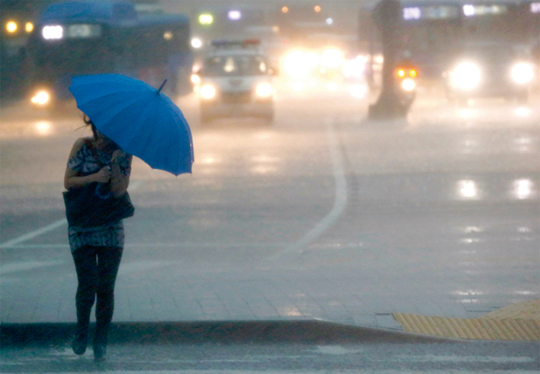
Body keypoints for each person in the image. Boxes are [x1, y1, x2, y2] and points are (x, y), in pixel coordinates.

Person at [64, 115, 132, 361]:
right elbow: (68, 181)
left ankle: (101, 340)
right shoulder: (82, 146)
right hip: (82, 225)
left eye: (107, 132)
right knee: (87, 283)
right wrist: (94, 177)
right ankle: (81, 332)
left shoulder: (123, 152)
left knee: (106, 287)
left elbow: (119, 190)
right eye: (98, 130)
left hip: (111, 226)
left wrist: (115, 166)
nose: (101, 136)